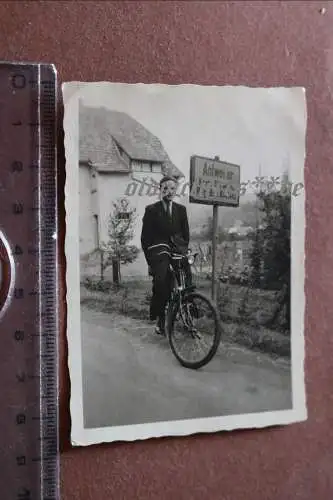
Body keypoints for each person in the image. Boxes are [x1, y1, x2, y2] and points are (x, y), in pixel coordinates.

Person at [141, 175, 191, 335]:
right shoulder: (151, 210)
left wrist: (183, 251)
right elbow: (145, 238)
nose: (169, 191)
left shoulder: (181, 210)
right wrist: (150, 262)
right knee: (161, 282)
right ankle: (161, 319)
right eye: (165, 188)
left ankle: (188, 314)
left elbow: (186, 235)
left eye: (172, 188)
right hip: (159, 252)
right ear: (160, 190)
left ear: (176, 190)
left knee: (187, 278)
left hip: (176, 250)